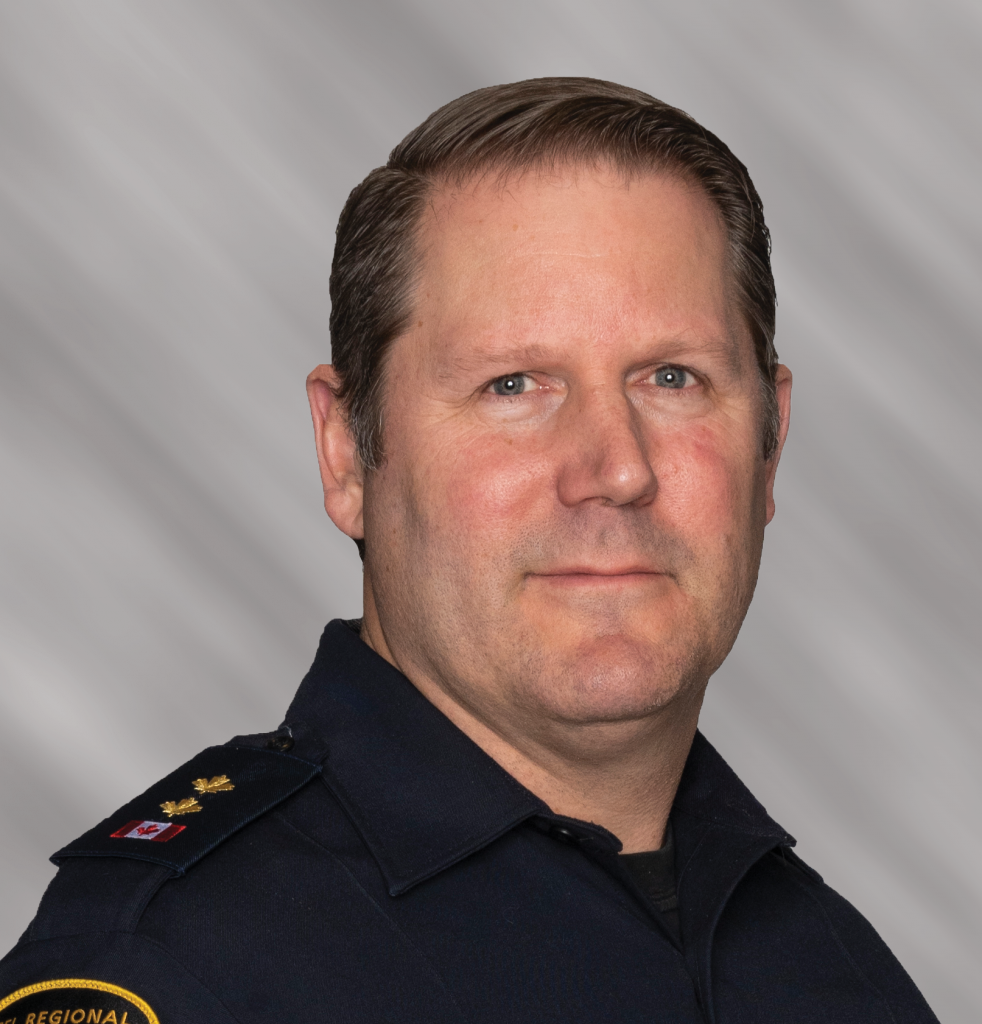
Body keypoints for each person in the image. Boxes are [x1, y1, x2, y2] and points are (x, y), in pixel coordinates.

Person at [0, 77, 938, 1024]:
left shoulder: (836, 968)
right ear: (347, 454)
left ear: (770, 441)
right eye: (514, 385)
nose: (616, 469)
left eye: (672, 377)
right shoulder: (172, 964)